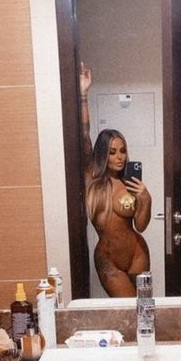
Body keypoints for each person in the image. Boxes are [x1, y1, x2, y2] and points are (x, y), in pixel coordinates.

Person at [79, 62, 152, 297]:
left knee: (143, 311)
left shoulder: (130, 183)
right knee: (126, 309)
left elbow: (140, 225)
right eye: (112, 152)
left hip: (138, 253)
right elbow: (84, 135)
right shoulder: (92, 179)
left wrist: (145, 199)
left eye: (122, 151)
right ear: (102, 154)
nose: (119, 157)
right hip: (107, 256)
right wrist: (83, 95)